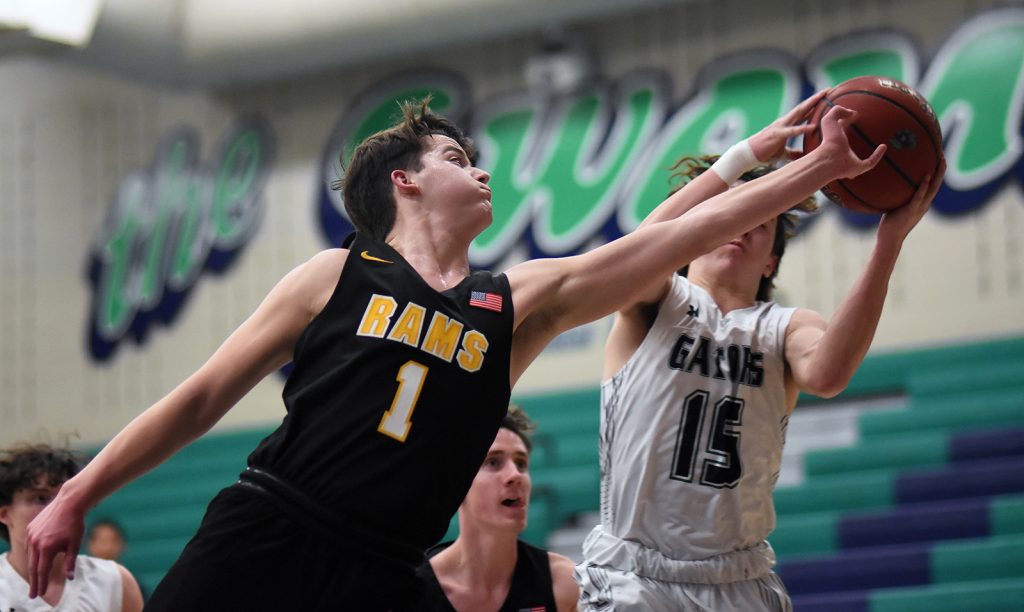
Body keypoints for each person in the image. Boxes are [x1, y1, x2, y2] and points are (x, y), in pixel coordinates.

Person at [26, 96, 884, 611]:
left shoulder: (512, 305)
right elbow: (201, 395)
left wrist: (788, 167)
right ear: (404, 180)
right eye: (454, 157)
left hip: (388, 571)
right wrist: (78, 492)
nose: (479, 170)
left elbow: (658, 243)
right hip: (268, 532)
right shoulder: (335, 274)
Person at [575, 93, 947, 610]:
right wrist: (741, 158)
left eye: (761, 222)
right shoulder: (655, 299)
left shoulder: (784, 327)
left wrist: (889, 243)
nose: (742, 226)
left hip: (740, 579)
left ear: (772, 261)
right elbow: (642, 247)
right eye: (724, 218)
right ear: (694, 234)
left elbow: (829, 373)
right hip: (634, 574)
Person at [413, 405, 578, 611]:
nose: (515, 475)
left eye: (521, 463)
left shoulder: (565, 582)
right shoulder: (411, 591)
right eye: (493, 462)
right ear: (458, 481)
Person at [0, 444, 144, 612]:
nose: (57, 509)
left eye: (67, 499)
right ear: (4, 514)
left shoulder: (114, 581)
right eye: (40, 498)